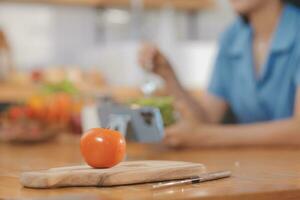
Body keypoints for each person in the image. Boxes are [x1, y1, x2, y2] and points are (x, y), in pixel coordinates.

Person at [138, 0, 300, 148]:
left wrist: (204, 136)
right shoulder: (232, 37)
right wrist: (168, 76)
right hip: (254, 169)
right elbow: (206, 118)